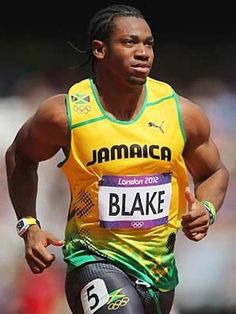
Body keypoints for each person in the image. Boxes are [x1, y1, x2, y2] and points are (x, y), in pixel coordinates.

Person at [5, 4, 229, 314]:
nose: (143, 52)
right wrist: (28, 224)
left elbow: (214, 172)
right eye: (130, 42)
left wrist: (206, 208)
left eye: (148, 43)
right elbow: (20, 156)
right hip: (92, 260)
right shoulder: (65, 114)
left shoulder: (181, 113)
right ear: (99, 49)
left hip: (158, 272)